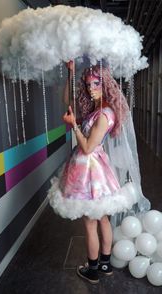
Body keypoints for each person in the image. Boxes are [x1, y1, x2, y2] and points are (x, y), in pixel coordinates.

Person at [48, 61, 143, 284]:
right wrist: (71, 74)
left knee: (92, 222)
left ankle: (92, 270)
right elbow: (67, 101)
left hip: (91, 172)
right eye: (88, 84)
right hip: (94, 169)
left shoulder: (104, 114)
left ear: (106, 84)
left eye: (96, 84)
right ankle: (105, 264)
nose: (91, 88)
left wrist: (74, 126)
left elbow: (88, 147)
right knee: (102, 220)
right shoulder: (96, 110)